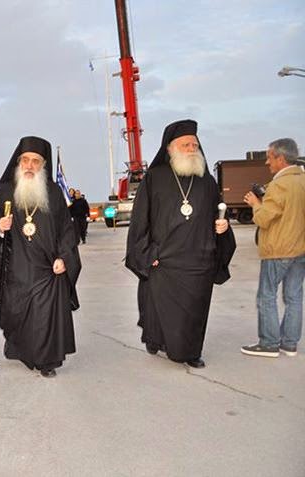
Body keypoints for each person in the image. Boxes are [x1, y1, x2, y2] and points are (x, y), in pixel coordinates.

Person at [126, 119, 236, 368]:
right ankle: (155, 340)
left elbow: (218, 214)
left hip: (199, 260)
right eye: (185, 144)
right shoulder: (154, 178)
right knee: (160, 310)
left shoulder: (207, 181)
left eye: (194, 145)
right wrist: (147, 253)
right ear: (170, 148)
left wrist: (223, 226)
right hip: (164, 260)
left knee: (195, 311)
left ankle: (191, 352)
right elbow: (140, 221)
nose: (191, 149)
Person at [0, 136, 81, 377]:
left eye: (35, 161)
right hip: (15, 269)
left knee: (45, 318)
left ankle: (47, 361)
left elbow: (67, 231)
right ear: (18, 162)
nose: (29, 165)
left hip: (48, 269)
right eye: (25, 160)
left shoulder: (53, 192)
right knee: (17, 316)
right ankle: (19, 348)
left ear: (43, 165)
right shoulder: (5, 191)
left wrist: (64, 257)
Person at [241, 138, 305, 357]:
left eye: (269, 157)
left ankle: (269, 344)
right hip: (300, 249)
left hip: (278, 249)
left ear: (281, 158)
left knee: (266, 296)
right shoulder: (302, 179)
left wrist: (255, 204)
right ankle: (289, 343)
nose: (267, 162)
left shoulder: (279, 185)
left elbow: (264, 219)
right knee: (294, 297)